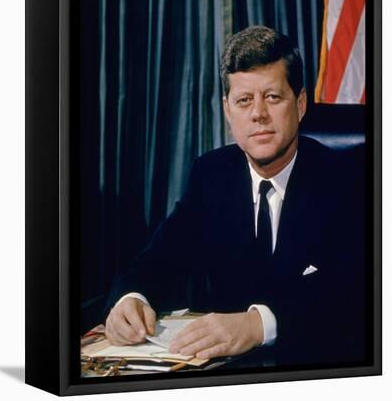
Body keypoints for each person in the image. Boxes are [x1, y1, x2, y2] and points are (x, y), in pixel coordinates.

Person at [103, 25, 366, 366]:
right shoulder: (211, 175)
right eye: (244, 101)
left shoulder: (348, 180)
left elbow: (355, 294)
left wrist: (257, 325)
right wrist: (130, 298)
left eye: (272, 97)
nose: (258, 113)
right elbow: (159, 259)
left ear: (300, 104)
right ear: (228, 112)